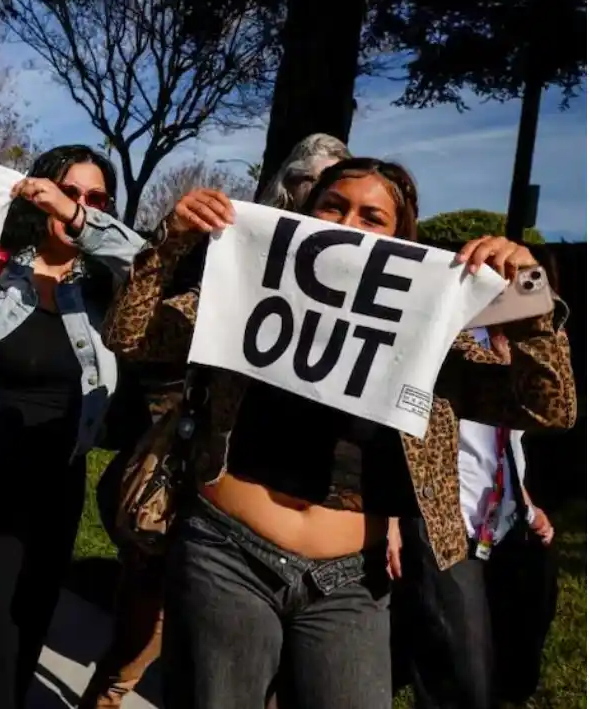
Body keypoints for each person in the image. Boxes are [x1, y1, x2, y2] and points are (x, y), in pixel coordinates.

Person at [102, 158, 575, 709]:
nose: (351, 224)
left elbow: (551, 409)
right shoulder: (253, 289)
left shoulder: (429, 336)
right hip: (226, 556)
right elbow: (130, 337)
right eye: (335, 206)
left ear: (401, 237)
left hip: (351, 584)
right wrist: (169, 243)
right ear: (307, 212)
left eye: (374, 216)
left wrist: (530, 289)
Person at [80, 132, 354, 709]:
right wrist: (172, 241)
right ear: (288, 189)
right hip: (205, 486)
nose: (326, 205)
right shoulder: (236, 258)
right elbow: (131, 334)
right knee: (143, 631)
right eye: (317, 188)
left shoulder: (372, 294)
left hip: (312, 518)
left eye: (337, 191)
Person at [0, 146, 144, 709]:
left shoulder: (106, 288)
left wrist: (78, 219)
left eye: (96, 200)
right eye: (68, 192)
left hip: (56, 480)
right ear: (38, 192)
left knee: (25, 615)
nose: (80, 206)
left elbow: (149, 263)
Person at [392, 329, 560, 709]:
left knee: (510, 666)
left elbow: (504, 443)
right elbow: (398, 432)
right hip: (448, 526)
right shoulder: (437, 329)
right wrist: (389, 518)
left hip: (506, 525)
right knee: (461, 681)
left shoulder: (512, 340)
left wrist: (528, 507)